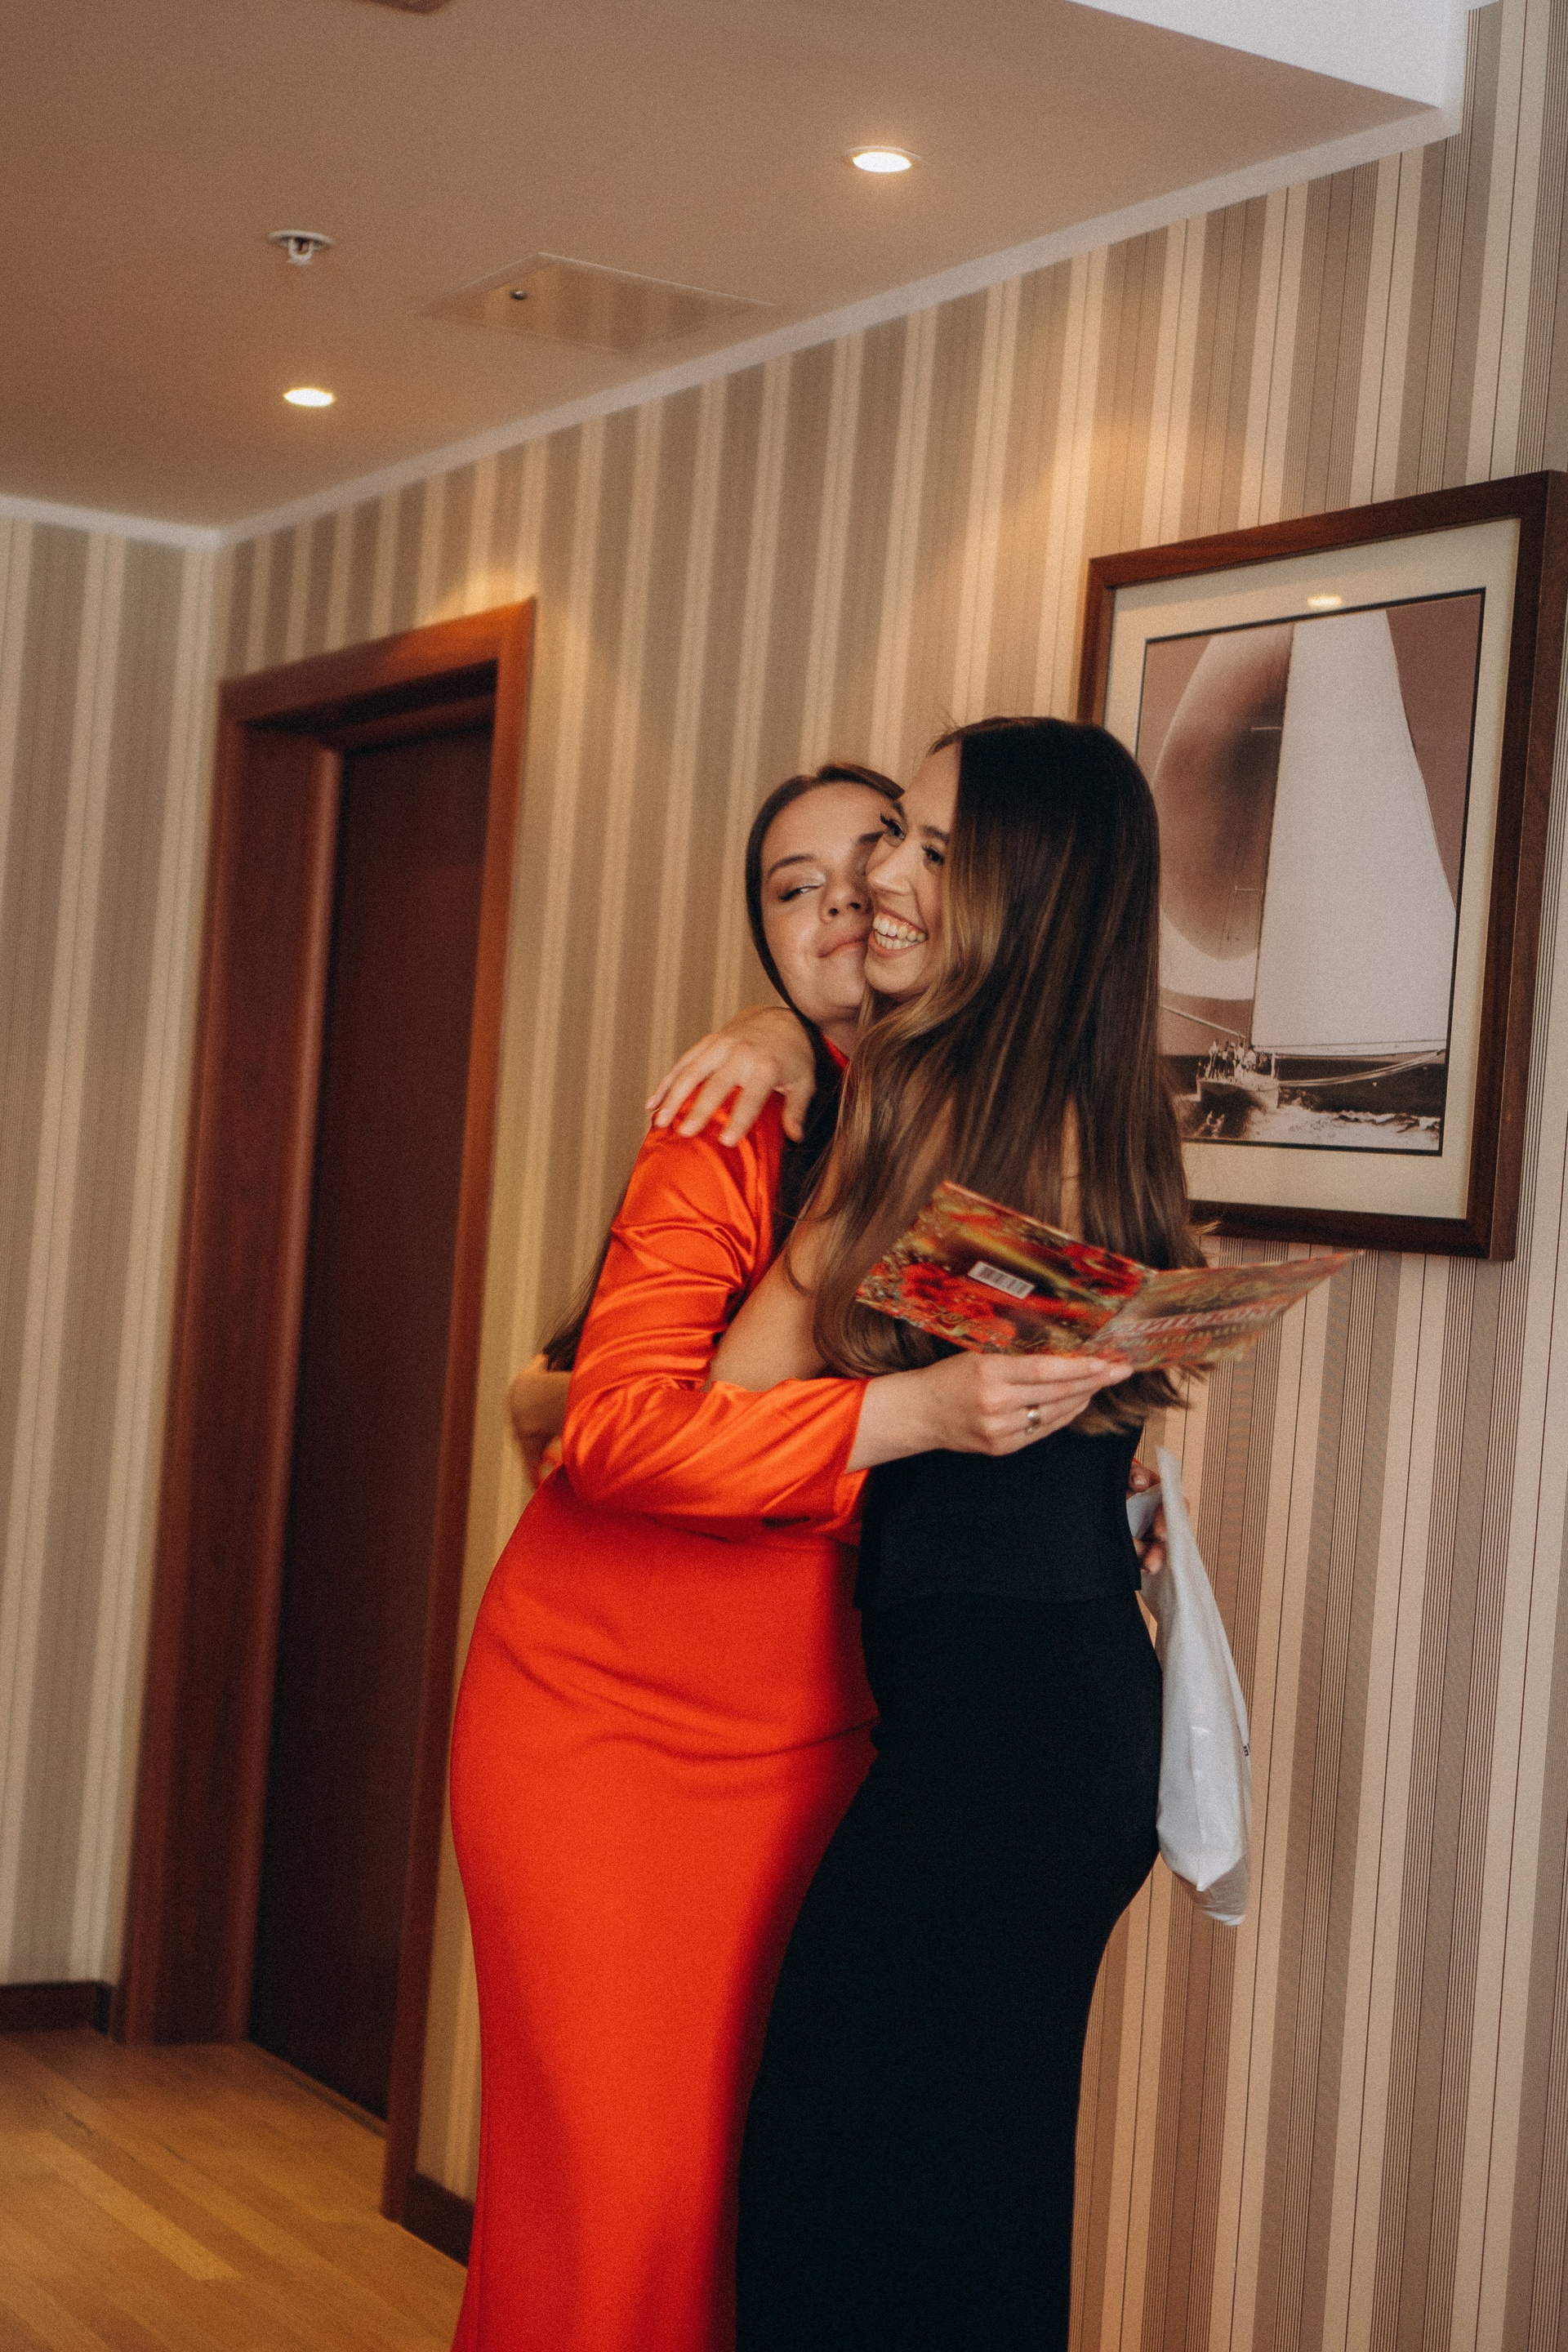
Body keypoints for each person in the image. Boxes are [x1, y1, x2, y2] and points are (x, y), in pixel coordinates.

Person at [448, 762, 1112, 2352]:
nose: (845, 901)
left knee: (751, 2209)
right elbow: (613, 1432)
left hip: (821, 1738)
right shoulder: (737, 1116)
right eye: (791, 889)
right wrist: (912, 1411)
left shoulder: (979, 1124)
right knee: (619, 2211)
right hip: (601, 1724)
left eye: (877, 856)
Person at [706, 718, 1201, 2352]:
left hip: (1005, 1747)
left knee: (836, 2205)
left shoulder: (944, 1104)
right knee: (955, 2204)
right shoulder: (1086, 1106)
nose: (881, 882)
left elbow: (739, 1389)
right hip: (1053, 1719)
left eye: (923, 847)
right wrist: (785, 1041)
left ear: (1020, 886)